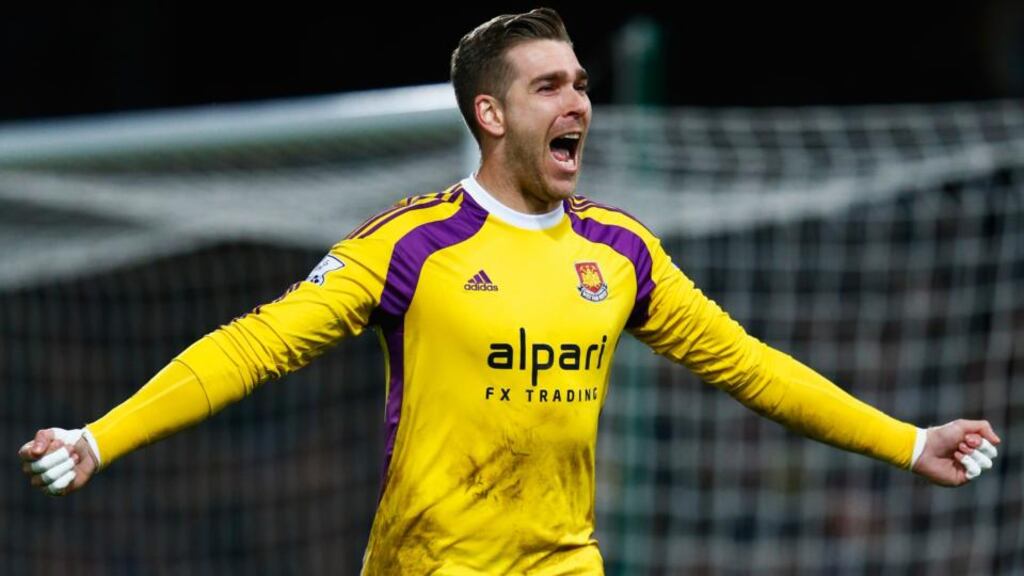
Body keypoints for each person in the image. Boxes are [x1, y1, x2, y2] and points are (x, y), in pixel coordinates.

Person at [18, 7, 1002, 575]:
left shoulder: (623, 254)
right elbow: (251, 344)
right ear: (489, 113)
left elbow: (747, 368)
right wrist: (101, 437)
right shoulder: (409, 244)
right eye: (548, 87)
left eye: (580, 82)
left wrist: (906, 441)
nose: (577, 100)